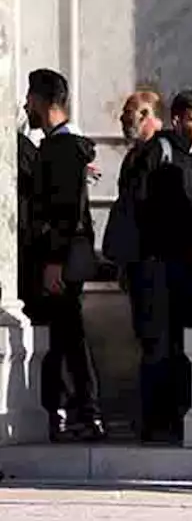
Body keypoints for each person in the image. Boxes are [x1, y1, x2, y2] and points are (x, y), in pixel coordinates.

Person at [123, 89, 192, 443]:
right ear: (177, 119)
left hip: (189, 266)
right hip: (156, 265)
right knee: (157, 345)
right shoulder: (157, 154)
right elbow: (142, 207)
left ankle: (180, 416)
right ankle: (155, 422)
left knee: (185, 344)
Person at [26, 68, 104, 442]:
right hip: (61, 256)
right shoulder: (63, 147)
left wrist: (54, 261)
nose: (26, 105)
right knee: (63, 336)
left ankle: (85, 413)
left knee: (70, 336)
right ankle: (70, 411)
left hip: (61, 259)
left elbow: (67, 210)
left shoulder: (62, 148)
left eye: (29, 98)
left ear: (41, 101)